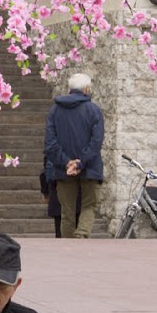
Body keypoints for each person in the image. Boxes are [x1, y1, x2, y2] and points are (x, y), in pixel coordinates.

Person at [44, 72, 104, 238]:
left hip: (63, 170)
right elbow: (96, 141)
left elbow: (50, 143)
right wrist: (80, 163)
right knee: (89, 205)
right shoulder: (94, 110)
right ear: (86, 89)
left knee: (67, 212)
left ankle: (68, 245)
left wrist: (66, 163)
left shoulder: (55, 110)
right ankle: (81, 236)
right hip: (90, 167)